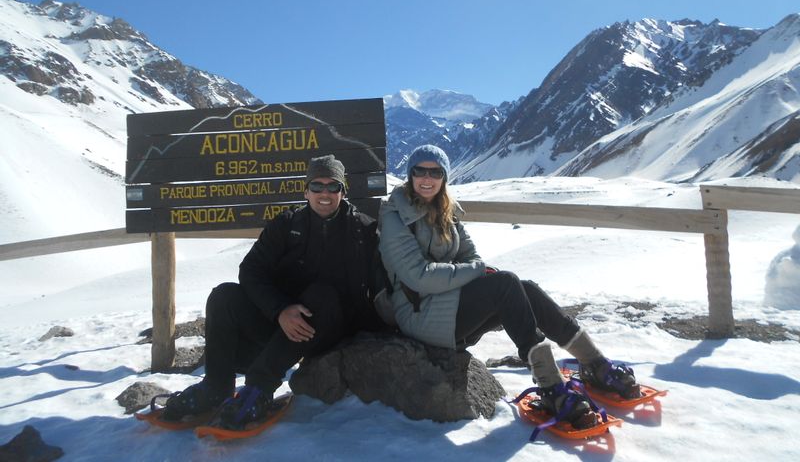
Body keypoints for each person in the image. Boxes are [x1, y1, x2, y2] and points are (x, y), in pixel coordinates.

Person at [378, 144, 640, 429]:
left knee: (523, 288)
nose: (426, 178)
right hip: (419, 315)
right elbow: (420, 277)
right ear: (410, 175)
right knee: (505, 285)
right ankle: (550, 386)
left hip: (448, 306)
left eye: (435, 172)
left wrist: (471, 269)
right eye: (419, 171)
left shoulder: (447, 212)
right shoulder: (395, 217)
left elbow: (471, 255)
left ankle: (594, 363)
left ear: (444, 178)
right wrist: (474, 271)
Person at [162, 154, 385, 429]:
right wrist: (279, 309)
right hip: (282, 325)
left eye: (333, 186)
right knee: (223, 296)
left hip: (331, 331)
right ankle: (215, 387)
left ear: (343, 191)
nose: (324, 194)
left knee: (322, 295)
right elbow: (251, 271)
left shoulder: (363, 230)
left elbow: (383, 282)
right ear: (306, 191)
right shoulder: (286, 224)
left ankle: (259, 389)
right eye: (317, 186)